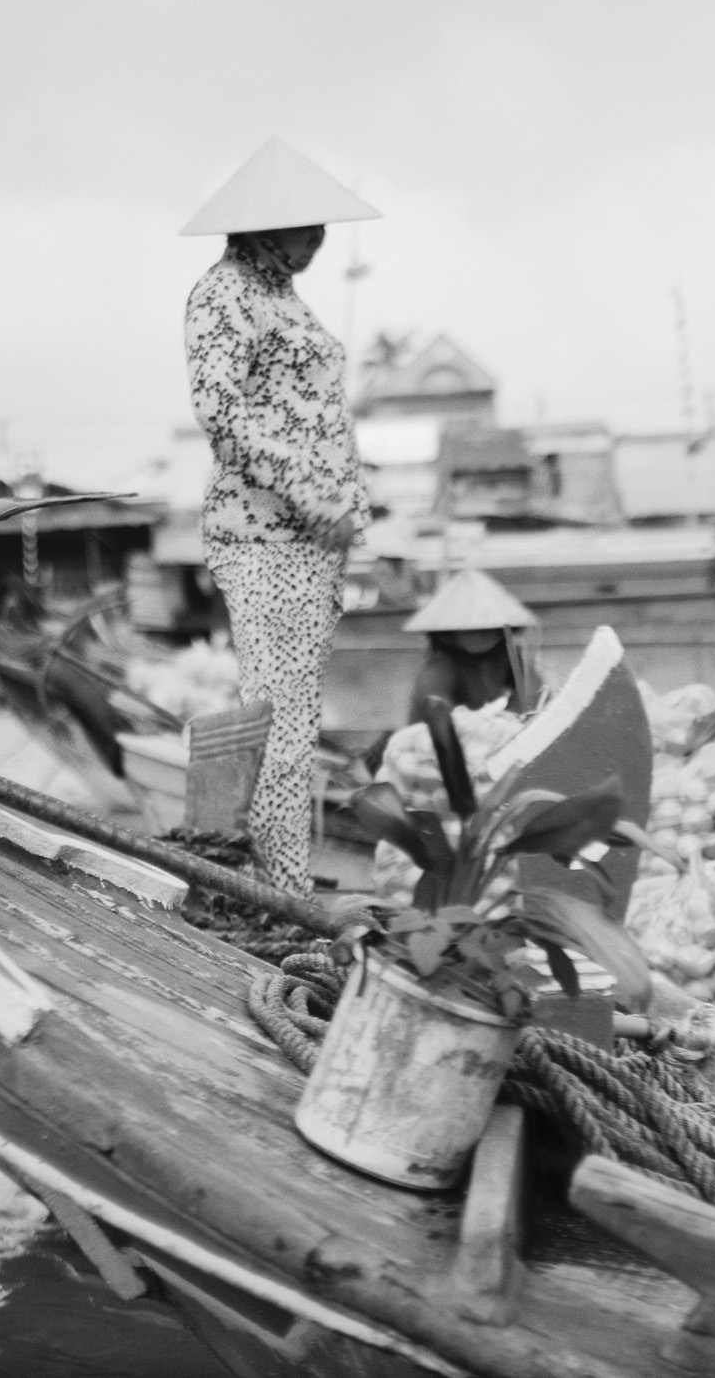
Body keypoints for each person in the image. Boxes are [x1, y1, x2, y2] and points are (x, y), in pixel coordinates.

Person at [181, 136, 379, 893]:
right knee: (282, 723)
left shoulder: (279, 296)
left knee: (294, 718)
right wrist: (314, 493)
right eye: (305, 229)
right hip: (263, 538)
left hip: (308, 544)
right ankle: (278, 890)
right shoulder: (223, 294)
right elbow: (224, 417)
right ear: (263, 226)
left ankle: (277, 880)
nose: (318, 243)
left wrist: (342, 509)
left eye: (323, 229)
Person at [403, 567, 539, 720]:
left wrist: (511, 717)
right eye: (470, 630)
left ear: (499, 631)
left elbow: (533, 694)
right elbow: (438, 719)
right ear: (451, 632)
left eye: (487, 629)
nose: (480, 635)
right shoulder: (440, 668)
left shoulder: (506, 654)